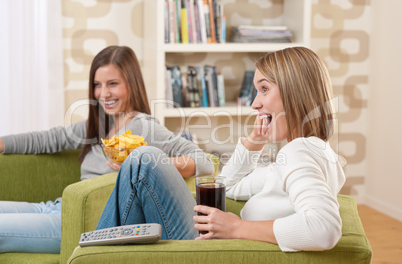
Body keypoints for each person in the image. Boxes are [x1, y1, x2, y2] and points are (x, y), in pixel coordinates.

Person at [97, 46, 346, 252]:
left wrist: (236, 228)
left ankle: (93, 250)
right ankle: (98, 249)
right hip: (215, 241)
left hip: (212, 250)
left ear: (295, 92)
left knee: (143, 158)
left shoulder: (299, 152)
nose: (255, 103)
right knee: (142, 163)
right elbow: (228, 184)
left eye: (265, 89)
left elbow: (324, 228)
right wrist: (255, 140)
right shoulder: (310, 151)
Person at [0, 45, 214, 254]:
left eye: (113, 83)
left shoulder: (142, 125)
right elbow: (48, 139)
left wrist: (144, 164)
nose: (103, 94)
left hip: (79, 223)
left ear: (132, 84)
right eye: (97, 84)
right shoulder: (100, 123)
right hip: (57, 206)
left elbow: (203, 162)